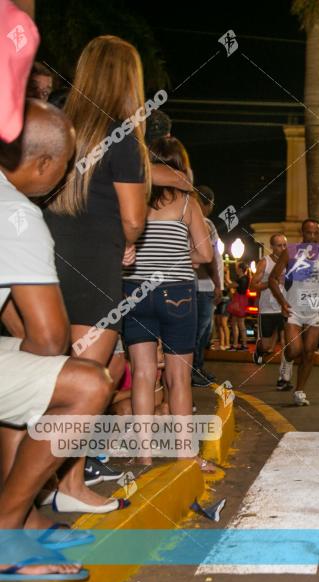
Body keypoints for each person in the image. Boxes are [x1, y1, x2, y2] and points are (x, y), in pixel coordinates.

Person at [43, 35, 189, 513]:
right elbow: (133, 218)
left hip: (47, 262)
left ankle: (42, 483)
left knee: (48, 376)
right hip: (95, 265)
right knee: (88, 379)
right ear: (128, 79)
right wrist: (129, 244)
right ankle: (69, 486)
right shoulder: (124, 137)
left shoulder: (60, 123)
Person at [0, 99, 112, 581]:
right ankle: (5, 528)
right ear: (44, 163)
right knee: (86, 385)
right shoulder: (18, 215)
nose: (65, 177)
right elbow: (47, 339)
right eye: (66, 167)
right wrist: (57, 368)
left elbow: (14, 316)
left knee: (34, 380)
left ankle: (23, 515)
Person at [121, 136, 214, 468]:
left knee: (144, 374)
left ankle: (143, 455)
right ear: (180, 165)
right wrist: (176, 259)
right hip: (177, 294)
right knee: (178, 378)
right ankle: (185, 453)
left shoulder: (131, 198)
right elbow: (204, 253)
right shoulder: (187, 202)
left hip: (135, 292)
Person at [269, 218, 319, 407]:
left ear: (318, 234)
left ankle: (299, 391)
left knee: (309, 353)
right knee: (295, 350)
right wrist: (282, 302)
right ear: (302, 233)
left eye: (315, 233)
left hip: (313, 310)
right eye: (308, 232)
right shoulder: (291, 252)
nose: (312, 236)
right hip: (293, 308)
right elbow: (272, 279)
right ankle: (287, 360)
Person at [252, 233, 295, 389]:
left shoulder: (291, 263)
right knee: (267, 346)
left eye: (285, 245)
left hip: (285, 307)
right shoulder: (265, 262)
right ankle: (259, 350)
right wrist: (271, 283)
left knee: (287, 343)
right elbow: (253, 285)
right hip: (267, 309)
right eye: (279, 245)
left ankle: (284, 378)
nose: (283, 248)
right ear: (271, 247)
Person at [191, 185, 223, 387]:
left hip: (200, 285)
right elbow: (208, 258)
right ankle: (193, 370)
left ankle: (198, 367)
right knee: (200, 332)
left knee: (203, 331)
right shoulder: (204, 223)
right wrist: (217, 284)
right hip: (203, 286)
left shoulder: (189, 220)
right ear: (209, 203)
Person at [227, 261, 250, 351]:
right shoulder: (246, 278)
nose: (236, 269)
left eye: (237, 268)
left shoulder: (241, 279)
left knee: (237, 323)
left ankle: (238, 344)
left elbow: (230, 285)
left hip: (238, 301)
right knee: (237, 323)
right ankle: (241, 344)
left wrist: (227, 274)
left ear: (240, 269)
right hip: (242, 300)